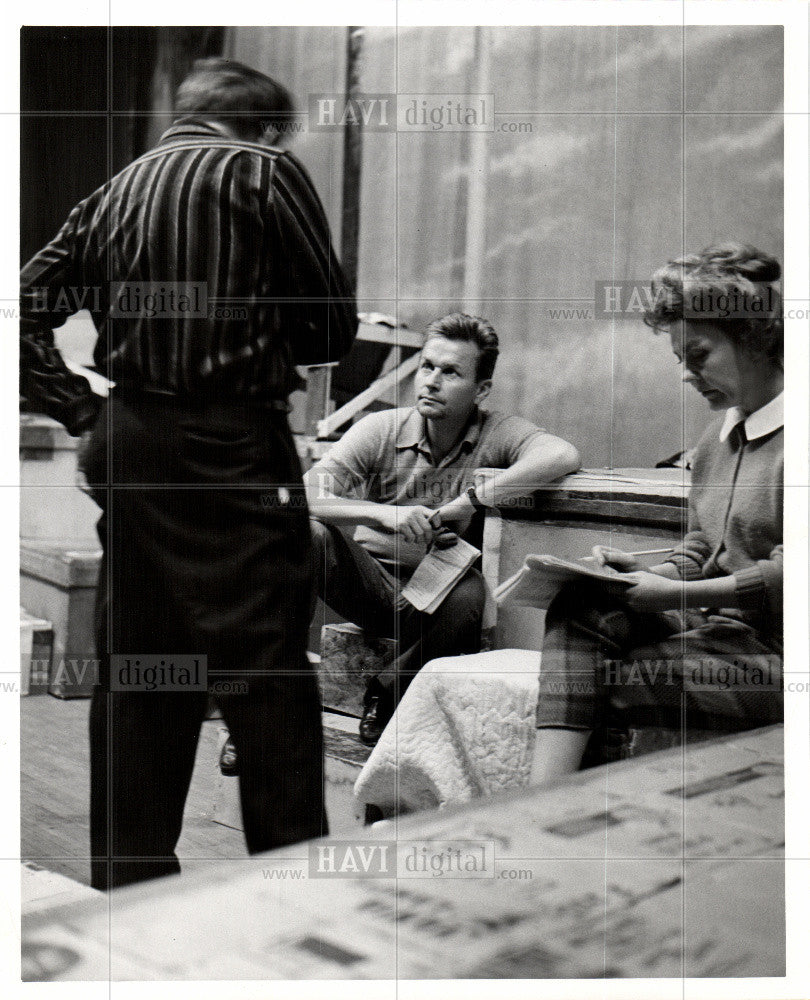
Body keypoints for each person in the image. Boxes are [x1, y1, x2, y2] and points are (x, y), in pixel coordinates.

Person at [20, 57, 357, 889]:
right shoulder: (265, 172)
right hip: (232, 448)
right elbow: (326, 333)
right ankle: (295, 912)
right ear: (262, 126)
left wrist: (84, 413)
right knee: (266, 681)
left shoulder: (112, 191)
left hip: (131, 440)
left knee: (140, 673)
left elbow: (26, 307)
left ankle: (130, 902)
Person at [530, 243, 783, 784]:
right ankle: (541, 799)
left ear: (756, 338)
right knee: (582, 603)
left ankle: (598, 823)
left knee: (637, 675)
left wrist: (677, 596)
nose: (687, 376)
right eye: (679, 360)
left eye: (699, 355)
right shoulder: (719, 437)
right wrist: (649, 575)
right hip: (725, 629)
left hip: (785, 650)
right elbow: (701, 549)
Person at [305, 312, 581, 745]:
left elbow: (561, 455)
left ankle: (387, 691)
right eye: (427, 367)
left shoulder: (498, 431)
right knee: (305, 534)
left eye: (450, 372)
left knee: (471, 594)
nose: (430, 381)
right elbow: (305, 494)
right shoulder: (381, 428)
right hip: (369, 586)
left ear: (481, 389)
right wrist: (379, 514)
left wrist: (469, 502)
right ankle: (268, 698)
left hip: (436, 597)